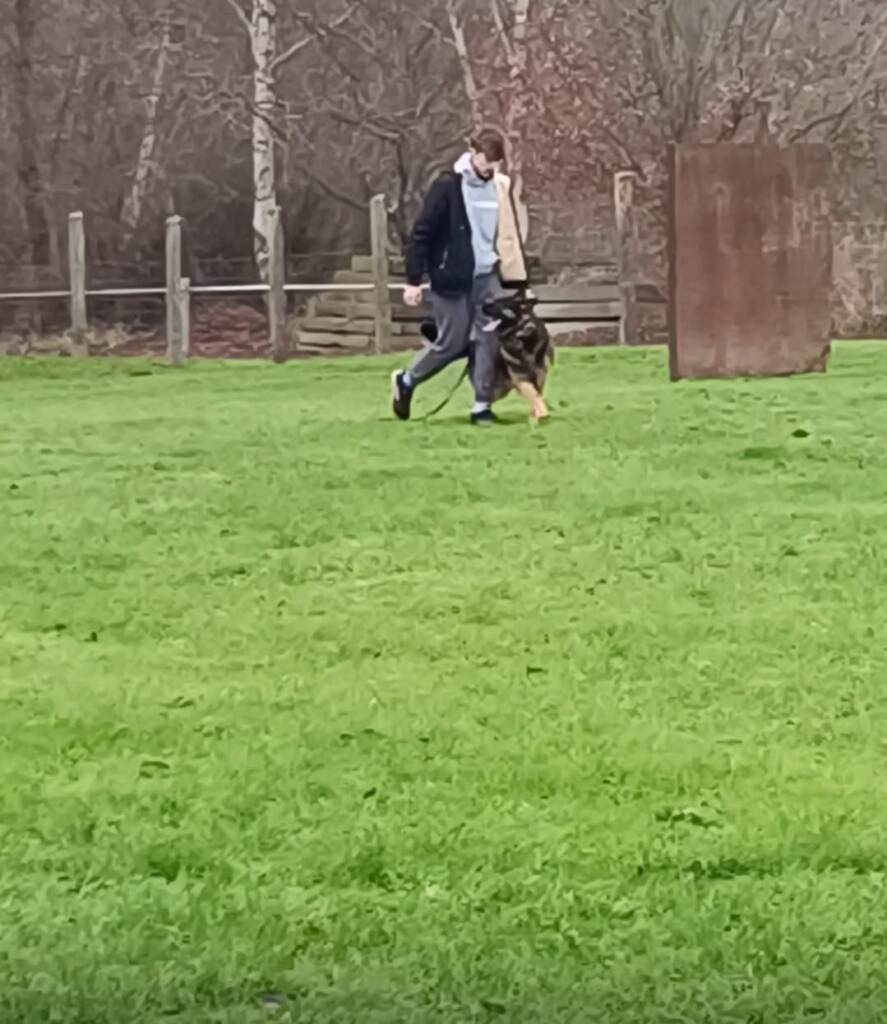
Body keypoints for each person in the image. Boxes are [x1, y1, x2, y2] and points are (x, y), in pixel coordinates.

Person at [390, 128, 528, 426]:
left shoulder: (500, 187)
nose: (491, 169)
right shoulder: (447, 187)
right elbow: (422, 233)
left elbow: (507, 234)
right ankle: (407, 379)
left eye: (496, 163)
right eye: (487, 161)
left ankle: (482, 406)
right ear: (474, 154)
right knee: (452, 344)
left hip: (487, 277)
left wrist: (516, 278)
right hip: (451, 278)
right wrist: (413, 280)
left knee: (488, 339)